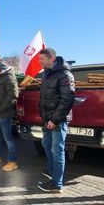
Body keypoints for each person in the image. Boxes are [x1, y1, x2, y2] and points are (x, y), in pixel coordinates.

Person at [35, 49, 75, 192]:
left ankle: (57, 184)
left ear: (51, 58)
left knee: (57, 150)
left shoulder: (64, 74)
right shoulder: (46, 73)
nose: (39, 61)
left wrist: (55, 120)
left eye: (42, 59)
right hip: (47, 119)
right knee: (46, 144)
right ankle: (51, 171)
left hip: (57, 120)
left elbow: (67, 100)